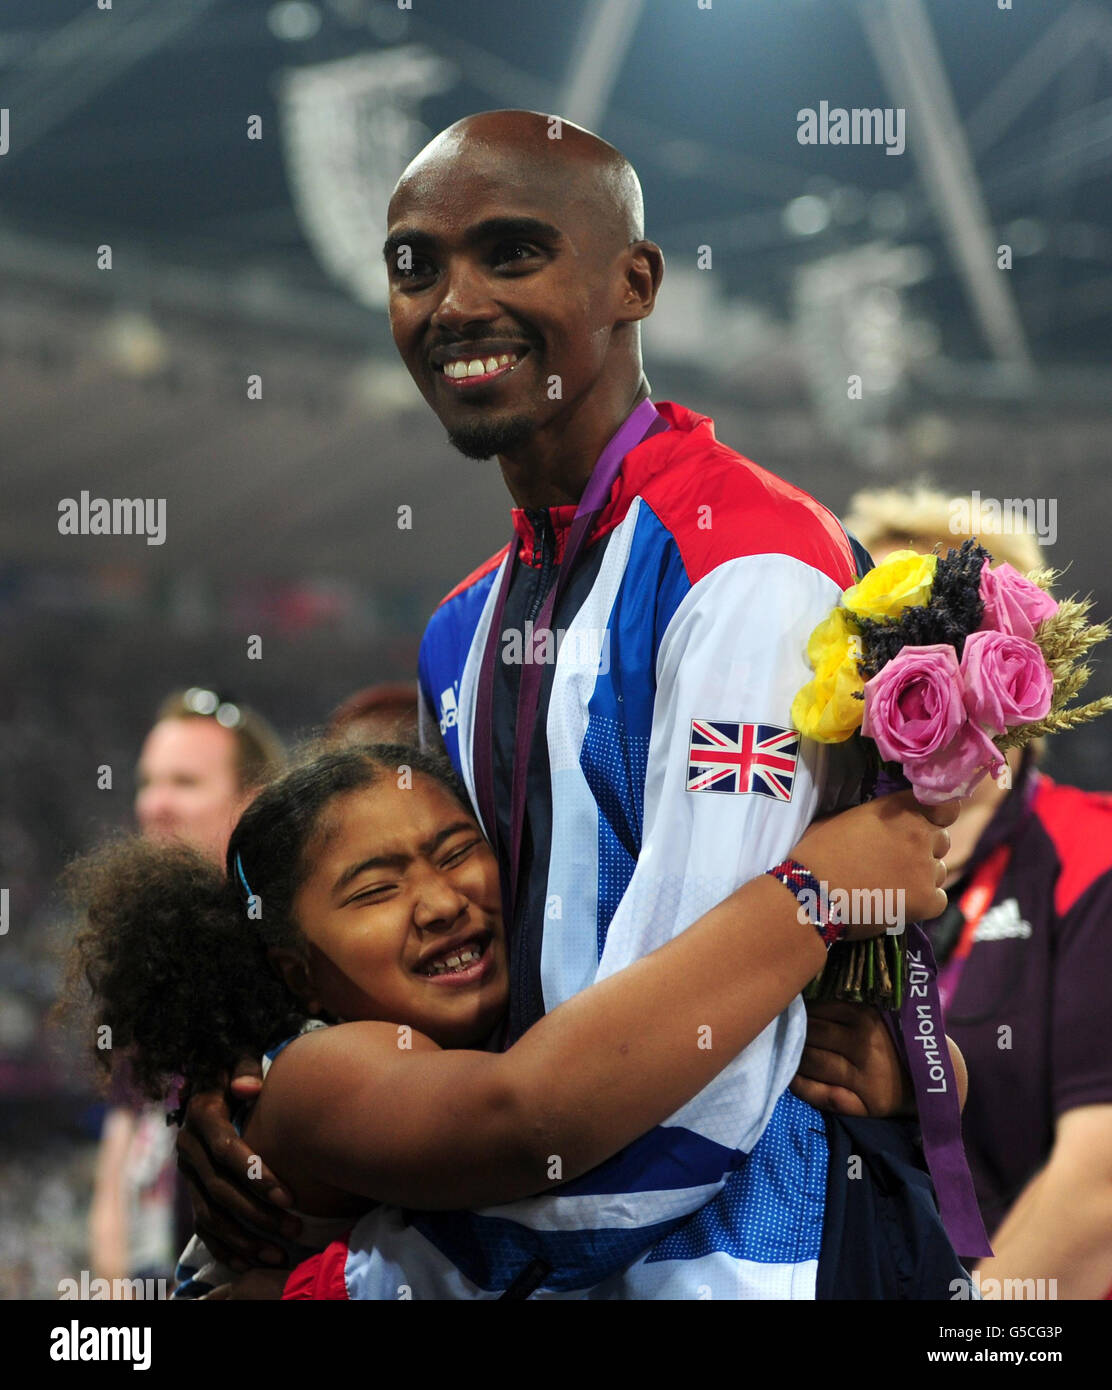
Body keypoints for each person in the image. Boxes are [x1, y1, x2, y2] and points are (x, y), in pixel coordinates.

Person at [180, 111, 973, 1299]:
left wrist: (367, 1268)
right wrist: (288, 1130)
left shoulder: (745, 569)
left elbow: (683, 1113)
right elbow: (477, 1027)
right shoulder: (461, 629)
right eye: (413, 265)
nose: (450, 302)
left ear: (633, 283)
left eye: (509, 253)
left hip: (766, 1265)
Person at [66, 743, 952, 1298]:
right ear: (296, 971)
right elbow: (525, 1118)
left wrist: (913, 1069)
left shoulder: (447, 1037)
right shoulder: (307, 1076)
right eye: (376, 890)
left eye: (457, 854)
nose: (442, 901)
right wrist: (812, 895)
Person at [844, 487, 1112, 1298]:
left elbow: (1098, 1194)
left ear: (1021, 667)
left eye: (931, 633)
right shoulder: (815, 871)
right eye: (872, 639)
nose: (900, 666)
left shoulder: (1093, 853)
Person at [87, 688, 284, 1291]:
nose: (156, 805)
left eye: (185, 782)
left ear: (252, 800)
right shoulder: (148, 967)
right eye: (148, 782)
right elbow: (120, 1156)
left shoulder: (288, 951)